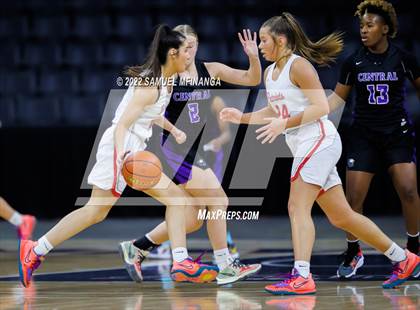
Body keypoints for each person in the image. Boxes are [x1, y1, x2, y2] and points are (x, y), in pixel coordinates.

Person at [220, 12, 420, 295]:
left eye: (264, 40)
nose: (260, 46)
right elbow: (274, 110)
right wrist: (241, 117)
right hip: (307, 144)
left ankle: (302, 276)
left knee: (296, 207)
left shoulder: (299, 66)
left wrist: (284, 125)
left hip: (318, 140)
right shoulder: (270, 71)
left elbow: (321, 107)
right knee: (342, 217)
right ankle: (405, 259)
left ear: (281, 39)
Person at [18, 25, 219, 288]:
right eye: (186, 52)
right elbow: (124, 123)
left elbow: (151, 113)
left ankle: (36, 250)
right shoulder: (151, 84)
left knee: (100, 211)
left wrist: (174, 129)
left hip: (133, 146)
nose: (190, 57)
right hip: (120, 147)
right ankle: (180, 261)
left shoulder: (166, 80)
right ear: (172, 53)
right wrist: (122, 155)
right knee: (101, 210)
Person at [119, 25, 260, 285]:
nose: (190, 51)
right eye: (185, 46)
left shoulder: (211, 70)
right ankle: (226, 265)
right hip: (173, 148)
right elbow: (153, 110)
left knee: (194, 219)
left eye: (193, 45)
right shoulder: (170, 76)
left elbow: (252, 79)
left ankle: (138, 247)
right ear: (176, 50)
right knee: (219, 200)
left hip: (195, 148)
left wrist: (253, 56)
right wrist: (171, 128)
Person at [329, 0, 420, 279]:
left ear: (386, 28)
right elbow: (337, 100)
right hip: (363, 134)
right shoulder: (352, 60)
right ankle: (353, 251)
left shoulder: (403, 57)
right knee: (352, 199)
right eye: (361, 25)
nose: (364, 30)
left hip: (397, 133)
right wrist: (306, 110)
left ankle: (414, 248)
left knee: (408, 190)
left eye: (370, 25)